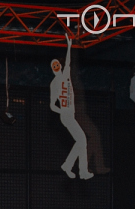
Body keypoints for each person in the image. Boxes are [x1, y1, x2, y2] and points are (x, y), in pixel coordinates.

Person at [50, 35, 93, 180]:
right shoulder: (54, 84)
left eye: (57, 65)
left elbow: (68, 62)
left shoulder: (66, 76)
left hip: (70, 114)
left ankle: (69, 166)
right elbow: (51, 105)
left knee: (81, 141)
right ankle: (81, 170)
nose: (56, 67)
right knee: (82, 140)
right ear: (53, 70)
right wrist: (61, 110)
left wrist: (69, 46)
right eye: (54, 66)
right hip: (66, 115)